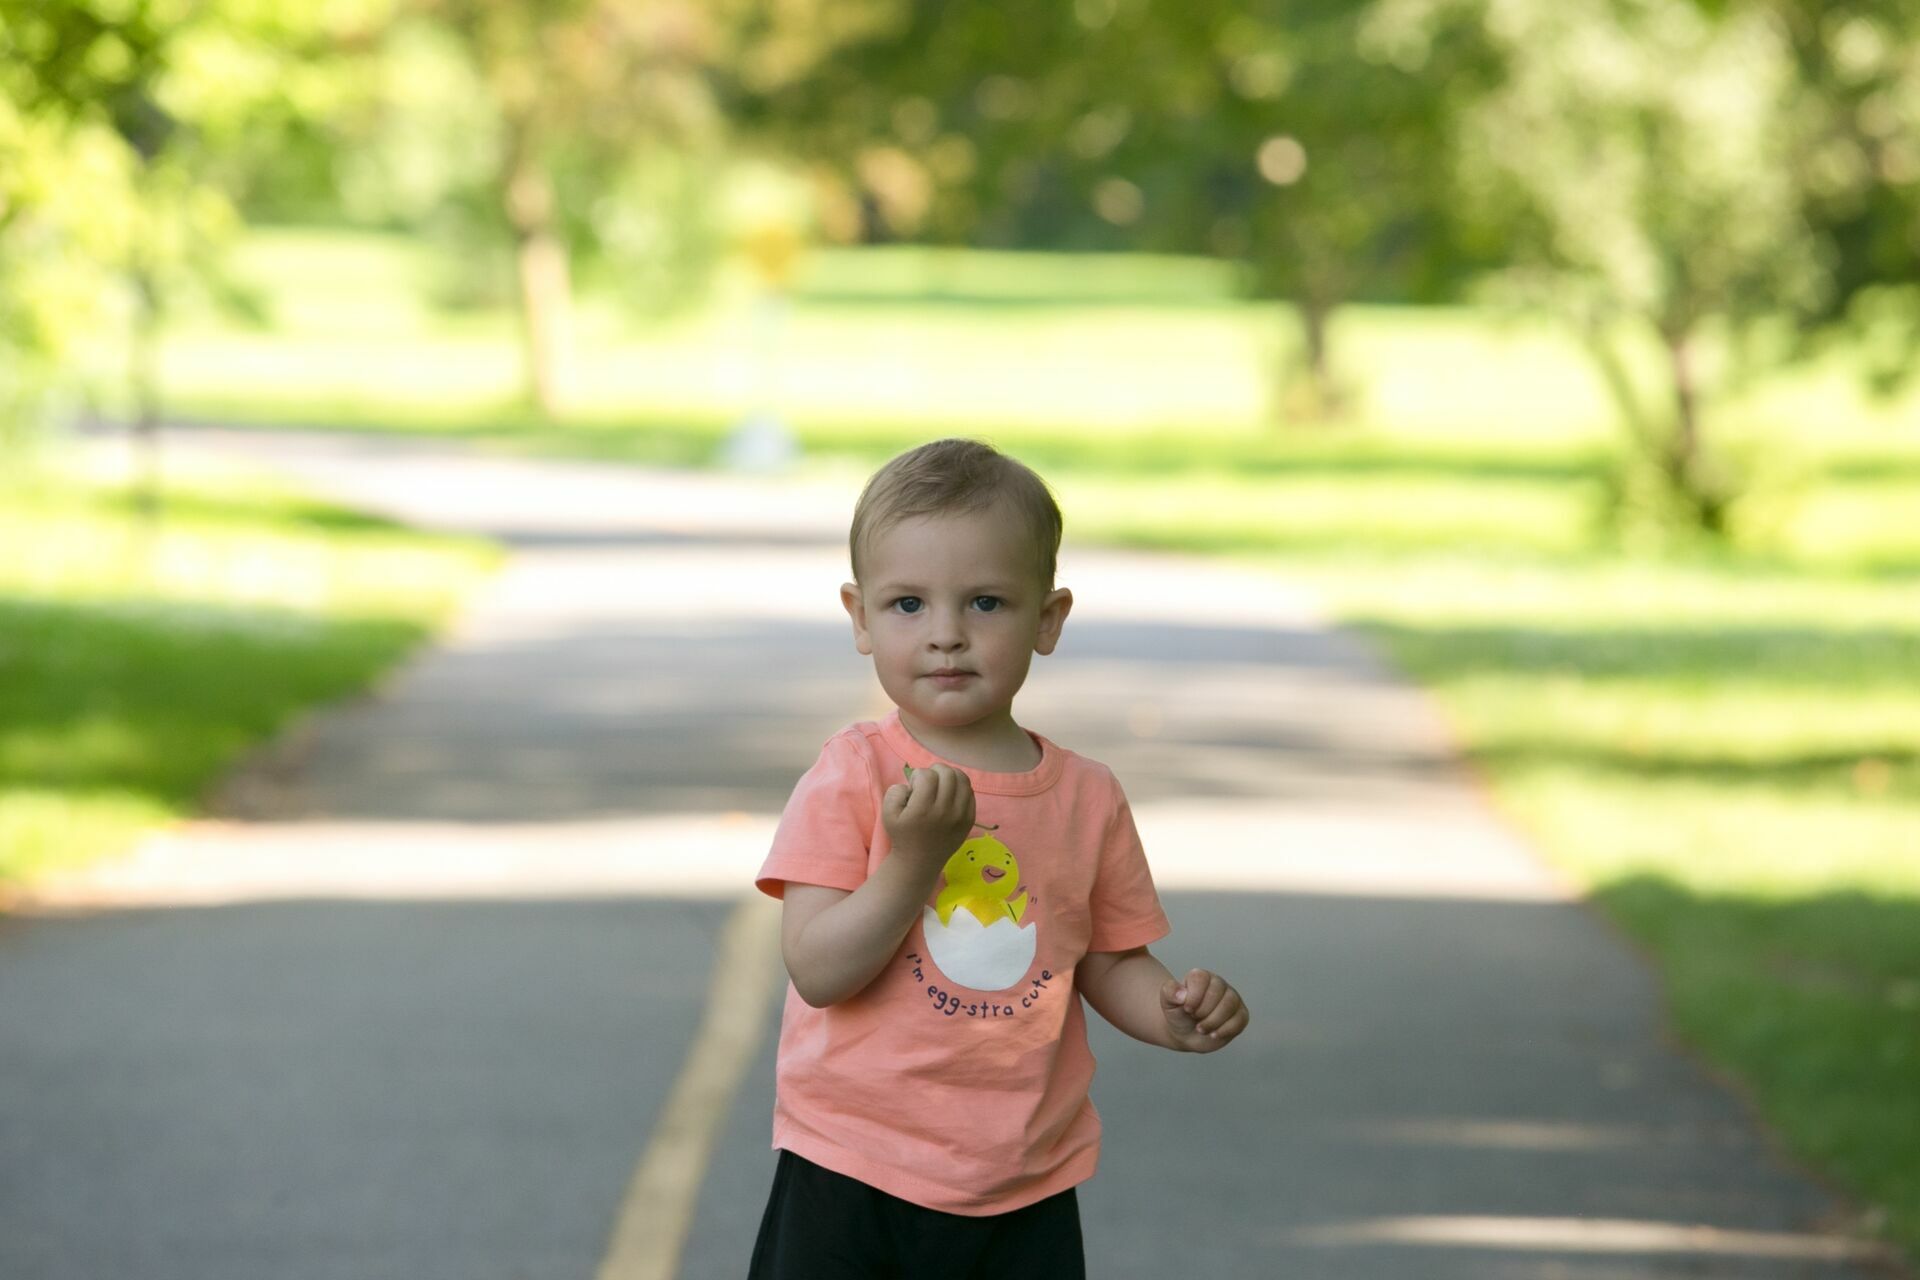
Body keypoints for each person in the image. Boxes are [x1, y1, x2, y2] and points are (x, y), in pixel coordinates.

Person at [749, 437, 1249, 1279]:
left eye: (985, 603)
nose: (946, 635)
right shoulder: (855, 775)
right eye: (908, 605)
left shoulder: (1085, 798)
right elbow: (817, 969)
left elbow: (1107, 958)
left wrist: (1171, 1010)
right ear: (860, 618)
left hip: (1022, 1176)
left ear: (1047, 619)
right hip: (852, 1164)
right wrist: (913, 862)